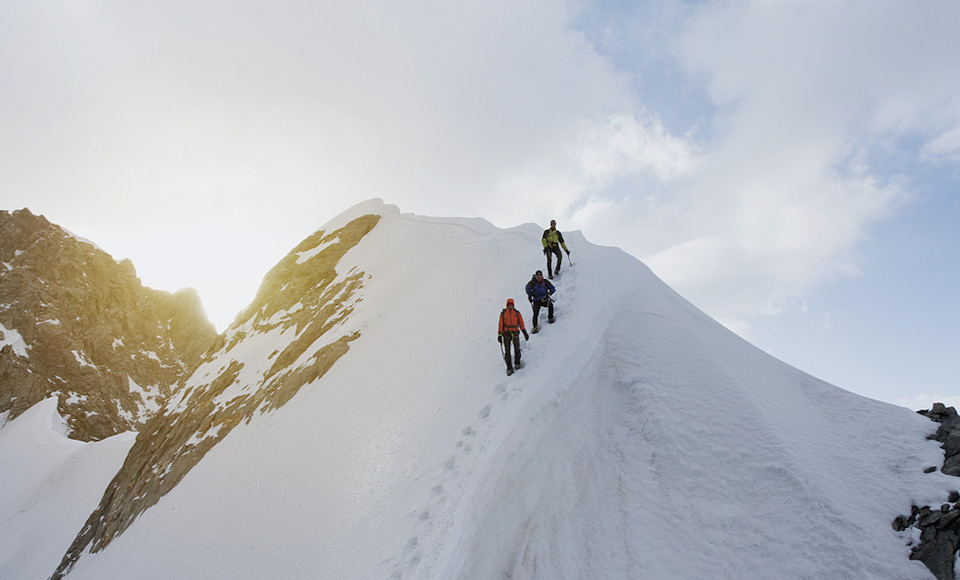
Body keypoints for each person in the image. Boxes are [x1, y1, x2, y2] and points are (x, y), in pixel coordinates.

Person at [498, 298, 529, 376]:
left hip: (515, 333)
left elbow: (521, 323)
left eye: (511, 305)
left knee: (517, 348)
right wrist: (499, 334)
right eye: (509, 305)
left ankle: (517, 363)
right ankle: (509, 367)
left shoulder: (517, 313)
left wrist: (524, 332)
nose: (510, 306)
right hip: (506, 334)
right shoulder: (503, 313)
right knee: (507, 350)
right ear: (507, 305)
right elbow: (500, 324)